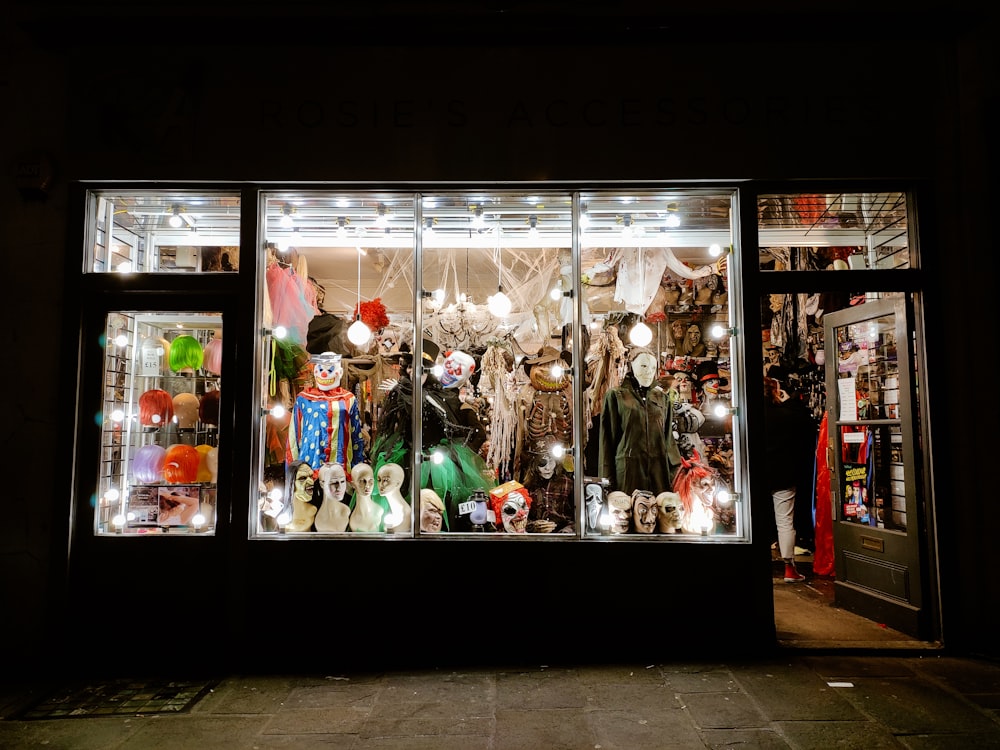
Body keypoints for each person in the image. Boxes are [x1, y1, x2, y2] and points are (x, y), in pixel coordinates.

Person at [599, 347, 683, 498]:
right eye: (643, 366)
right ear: (632, 366)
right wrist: (606, 481)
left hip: (658, 470)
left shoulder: (662, 398)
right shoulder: (616, 396)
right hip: (628, 470)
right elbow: (607, 441)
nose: (649, 371)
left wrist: (676, 472)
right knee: (627, 515)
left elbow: (668, 439)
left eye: (652, 367)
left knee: (658, 515)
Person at [763, 371, 817, 582]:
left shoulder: (751, 415)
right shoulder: (788, 414)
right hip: (784, 474)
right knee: (785, 522)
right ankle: (789, 567)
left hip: (759, 474)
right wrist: (789, 402)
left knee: (756, 520)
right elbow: (806, 424)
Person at [286, 351, 366, 477]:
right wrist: (292, 470)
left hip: (341, 467)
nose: (324, 374)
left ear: (340, 372)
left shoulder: (348, 399)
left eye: (330, 370)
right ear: (315, 371)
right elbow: (293, 436)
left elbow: (356, 435)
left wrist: (358, 469)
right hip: (310, 465)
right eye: (321, 369)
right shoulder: (304, 399)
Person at [314, 461, 350, 532]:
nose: (340, 487)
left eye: (342, 481)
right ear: (322, 484)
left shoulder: (346, 510)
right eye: (333, 483)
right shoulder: (321, 521)